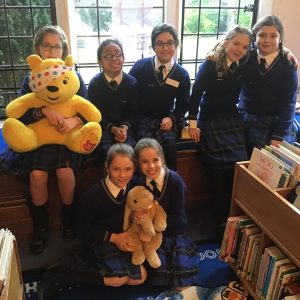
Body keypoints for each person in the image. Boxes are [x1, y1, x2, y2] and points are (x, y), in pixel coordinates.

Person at [37, 143, 146, 300]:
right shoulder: (92, 196)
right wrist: (114, 238)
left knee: (140, 277)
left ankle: (84, 259)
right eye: (116, 169)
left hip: (127, 238)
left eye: (128, 169)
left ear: (134, 168)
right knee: (118, 279)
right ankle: (62, 275)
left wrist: (141, 216)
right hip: (102, 239)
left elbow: (146, 205)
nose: (122, 175)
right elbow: (82, 229)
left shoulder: (136, 185)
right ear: (107, 168)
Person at [17, 25, 88, 255]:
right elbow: (20, 113)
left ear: (62, 49)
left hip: (66, 136)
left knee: (65, 173)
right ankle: (41, 228)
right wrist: (44, 111)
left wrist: (74, 122)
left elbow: (88, 111)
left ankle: (69, 223)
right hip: (38, 137)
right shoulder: (31, 76)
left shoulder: (72, 73)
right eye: (46, 46)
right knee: (37, 175)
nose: (51, 50)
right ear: (38, 48)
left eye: (56, 46)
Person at [187, 26, 252, 238]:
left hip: (231, 119)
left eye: (244, 46)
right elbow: (195, 94)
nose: (240, 49)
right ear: (226, 43)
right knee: (215, 170)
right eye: (236, 44)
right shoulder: (210, 64)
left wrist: (286, 51)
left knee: (237, 167)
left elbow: (268, 54)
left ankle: (234, 217)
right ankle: (219, 220)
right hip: (210, 120)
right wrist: (193, 124)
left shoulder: (245, 62)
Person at [134, 137, 198, 287]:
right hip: (152, 235)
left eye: (155, 160)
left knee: (182, 272)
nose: (151, 166)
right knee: (158, 274)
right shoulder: (140, 183)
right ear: (138, 163)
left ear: (162, 159)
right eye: (144, 161)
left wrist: (152, 230)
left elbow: (178, 216)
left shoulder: (175, 181)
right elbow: (138, 209)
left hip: (175, 230)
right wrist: (138, 219)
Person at [129, 23, 190, 171]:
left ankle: (171, 183)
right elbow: (129, 95)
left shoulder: (182, 74)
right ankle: (143, 187)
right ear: (153, 46)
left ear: (176, 45)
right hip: (143, 120)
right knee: (144, 148)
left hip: (166, 120)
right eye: (160, 43)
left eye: (170, 43)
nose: (165, 48)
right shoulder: (140, 67)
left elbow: (183, 105)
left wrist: (172, 119)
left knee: (169, 147)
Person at [238, 15, 298, 157]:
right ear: (254, 37)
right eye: (262, 35)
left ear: (280, 39)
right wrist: (214, 54)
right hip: (246, 116)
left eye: (273, 36)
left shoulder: (287, 66)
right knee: (236, 156)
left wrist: (278, 136)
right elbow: (230, 45)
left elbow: (288, 104)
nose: (267, 40)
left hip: (275, 121)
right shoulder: (246, 57)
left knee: (265, 158)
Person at [88, 38, 138, 158]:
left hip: (126, 129)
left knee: (129, 154)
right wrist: (113, 129)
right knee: (108, 154)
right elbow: (94, 114)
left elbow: (133, 111)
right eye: (108, 56)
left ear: (123, 58)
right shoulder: (95, 84)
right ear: (100, 61)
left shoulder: (132, 83)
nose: (114, 58)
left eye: (117, 54)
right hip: (103, 128)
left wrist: (124, 128)